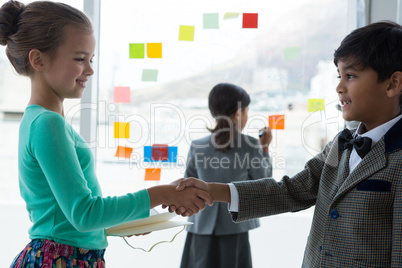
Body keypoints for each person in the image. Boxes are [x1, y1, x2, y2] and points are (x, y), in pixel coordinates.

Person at [172, 21, 402, 267]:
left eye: (351, 76)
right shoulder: (340, 144)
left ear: (392, 84)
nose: (339, 87)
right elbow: (290, 190)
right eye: (339, 76)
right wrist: (210, 190)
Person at [0, 1, 212, 267]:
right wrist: (162, 194)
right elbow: (84, 214)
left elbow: (67, 220)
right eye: (79, 59)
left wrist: (126, 219)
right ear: (38, 59)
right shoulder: (47, 124)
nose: (89, 70)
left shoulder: (41, 121)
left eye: (91, 59)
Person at [179, 83, 272, 268]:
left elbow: (185, 187)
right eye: (246, 111)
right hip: (235, 228)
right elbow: (266, 185)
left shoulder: (198, 146)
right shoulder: (251, 145)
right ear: (238, 113)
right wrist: (265, 148)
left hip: (200, 226)